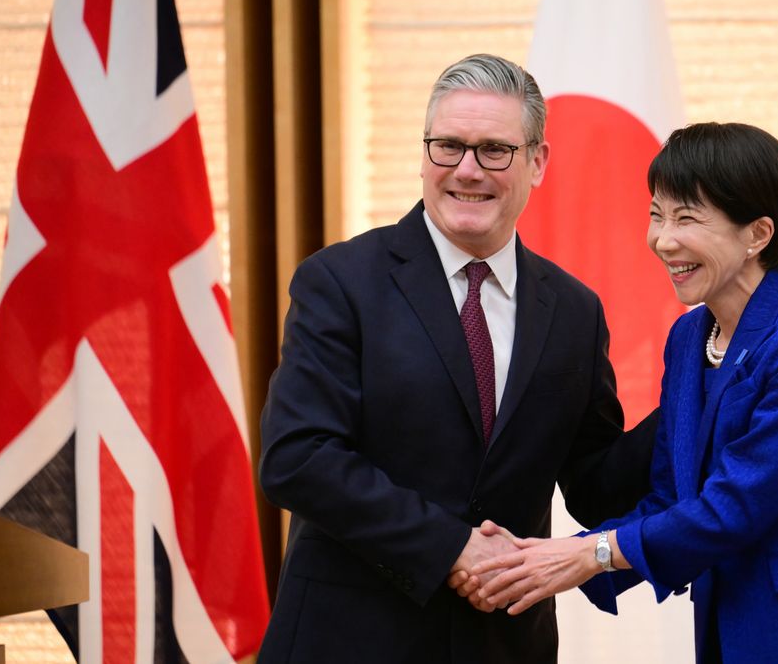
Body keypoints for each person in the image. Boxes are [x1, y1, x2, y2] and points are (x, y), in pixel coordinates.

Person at [465, 123, 778, 663]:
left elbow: (736, 505)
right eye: (656, 214)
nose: (663, 239)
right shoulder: (690, 338)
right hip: (733, 629)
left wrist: (587, 555)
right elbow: (672, 498)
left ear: (758, 234)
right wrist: (541, 558)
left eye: (687, 218)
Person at [256, 53, 655, 663]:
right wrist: (451, 547)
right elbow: (297, 458)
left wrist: (701, 376)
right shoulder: (340, 282)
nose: (467, 170)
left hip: (503, 645)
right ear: (423, 155)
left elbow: (597, 487)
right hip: (348, 640)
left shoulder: (575, 310)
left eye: (494, 150)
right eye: (448, 147)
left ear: (537, 161)